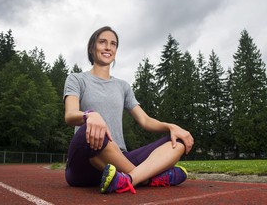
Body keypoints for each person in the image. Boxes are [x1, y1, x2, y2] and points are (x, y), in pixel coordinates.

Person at [63, 26, 194, 194]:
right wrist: (90, 115)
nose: (108, 47)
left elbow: (145, 121)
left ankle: (128, 180)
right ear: (91, 48)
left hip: (120, 159)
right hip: (85, 163)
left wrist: (171, 127)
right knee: (89, 129)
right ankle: (147, 178)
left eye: (113, 44)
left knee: (178, 142)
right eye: (102, 42)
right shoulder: (76, 79)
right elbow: (70, 115)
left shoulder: (123, 86)